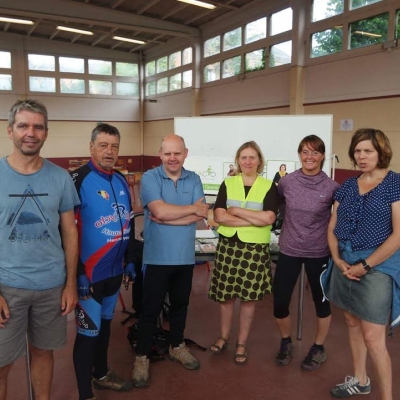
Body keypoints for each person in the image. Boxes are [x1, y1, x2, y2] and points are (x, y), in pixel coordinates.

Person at [0, 99, 79, 400]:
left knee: (44, 353)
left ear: (46, 132)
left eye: (37, 127)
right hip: (8, 288)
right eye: (23, 126)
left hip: (51, 286)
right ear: (10, 131)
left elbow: (70, 232)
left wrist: (70, 283)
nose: (30, 133)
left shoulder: (60, 178)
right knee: (2, 364)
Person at [326, 129, 400, 399]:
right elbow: (333, 224)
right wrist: (336, 258)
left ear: (381, 152)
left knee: (373, 337)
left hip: (378, 265)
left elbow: (399, 234)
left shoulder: (394, 183)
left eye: (368, 150)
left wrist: (366, 265)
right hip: (345, 262)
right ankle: (360, 380)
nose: (362, 156)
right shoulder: (347, 186)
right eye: (358, 151)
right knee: (351, 321)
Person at [132, 134, 209, 388]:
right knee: (149, 310)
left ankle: (177, 346)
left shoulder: (194, 178)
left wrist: (167, 217)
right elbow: (159, 211)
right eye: (168, 153)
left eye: (177, 153)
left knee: (180, 306)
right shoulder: (151, 178)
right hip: (156, 258)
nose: (172, 158)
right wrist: (183, 211)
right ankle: (142, 356)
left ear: (185, 153)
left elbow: (200, 214)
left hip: (184, 258)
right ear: (160, 154)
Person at [70, 123, 139, 400]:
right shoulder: (77, 179)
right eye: (103, 145)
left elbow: (129, 223)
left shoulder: (121, 179)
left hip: (114, 273)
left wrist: (131, 259)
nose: (109, 152)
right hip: (88, 276)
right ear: (91, 147)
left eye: (114, 146)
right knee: (87, 336)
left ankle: (101, 375)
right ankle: (85, 394)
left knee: (106, 328)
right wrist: (76, 273)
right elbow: (67, 232)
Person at [208, 141, 278, 364]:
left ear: (260, 161)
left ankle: (241, 343)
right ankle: (223, 336)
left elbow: (269, 218)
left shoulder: (269, 186)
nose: (248, 162)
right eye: (244, 157)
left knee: (248, 299)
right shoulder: (228, 183)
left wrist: (236, 211)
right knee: (226, 297)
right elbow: (219, 216)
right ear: (238, 160)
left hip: (255, 250)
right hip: (229, 246)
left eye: (252, 157)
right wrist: (253, 220)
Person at [273, 135, 339, 371]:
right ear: (299, 154)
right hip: (289, 249)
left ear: (322, 156)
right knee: (280, 301)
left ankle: (318, 348)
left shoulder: (332, 187)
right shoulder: (287, 182)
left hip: (318, 252)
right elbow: (279, 204)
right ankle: (285, 341)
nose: (309, 157)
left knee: (322, 303)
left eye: (314, 152)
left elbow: (337, 218)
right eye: (304, 152)